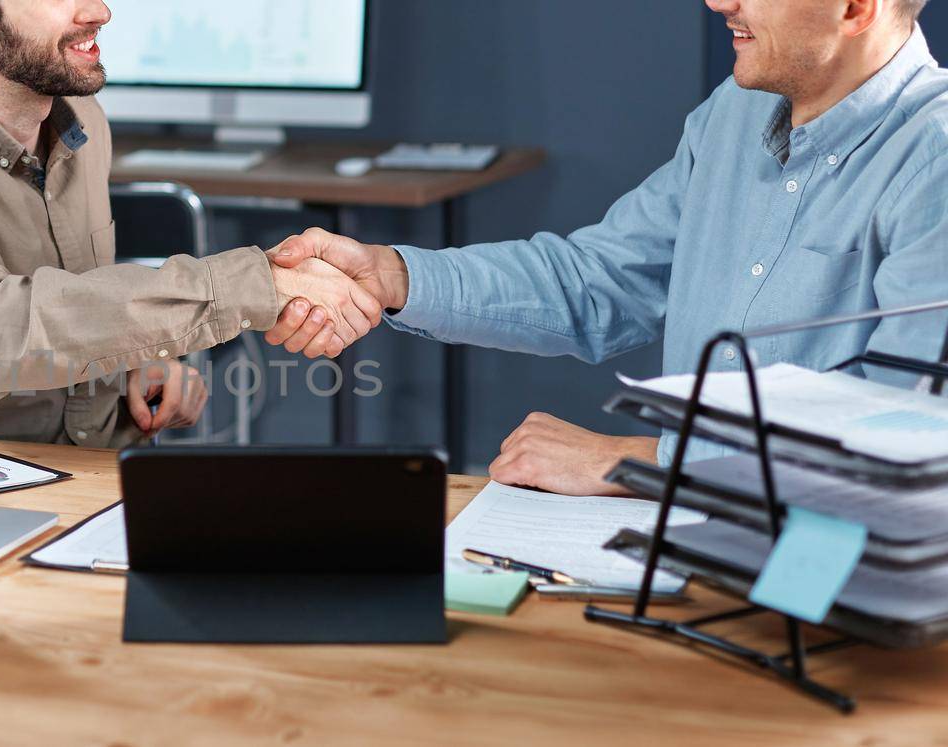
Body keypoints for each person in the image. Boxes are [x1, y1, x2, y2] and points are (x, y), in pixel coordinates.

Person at [267, 0, 948, 494]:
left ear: (856, 8)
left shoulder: (934, 162)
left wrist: (637, 461)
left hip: (827, 587)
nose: (719, 3)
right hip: (687, 554)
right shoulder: (731, 116)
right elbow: (599, 281)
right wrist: (392, 274)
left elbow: (900, 448)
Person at [0, 0, 379, 447]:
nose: (101, 11)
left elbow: (78, 301)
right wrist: (258, 285)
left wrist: (146, 362)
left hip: (100, 470)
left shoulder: (82, 120)